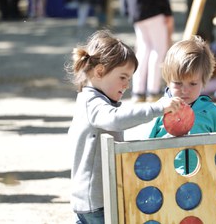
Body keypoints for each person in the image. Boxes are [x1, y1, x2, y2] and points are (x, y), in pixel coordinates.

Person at [65, 30, 184, 224]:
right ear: (100, 71)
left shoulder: (92, 101)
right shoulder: (93, 104)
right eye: (123, 77)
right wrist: (157, 108)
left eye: (129, 79)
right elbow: (116, 119)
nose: (127, 84)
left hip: (91, 201)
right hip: (97, 202)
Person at [149, 35, 216, 175]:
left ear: (204, 82)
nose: (185, 90)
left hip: (205, 179)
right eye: (178, 83)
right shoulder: (158, 110)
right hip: (168, 181)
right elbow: (144, 148)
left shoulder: (212, 112)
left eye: (193, 83)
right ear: (168, 81)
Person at [118, 0, 174, 103]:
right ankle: (153, 90)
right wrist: (167, 10)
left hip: (136, 10)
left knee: (143, 50)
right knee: (158, 50)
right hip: (152, 10)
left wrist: (127, 9)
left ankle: (138, 91)